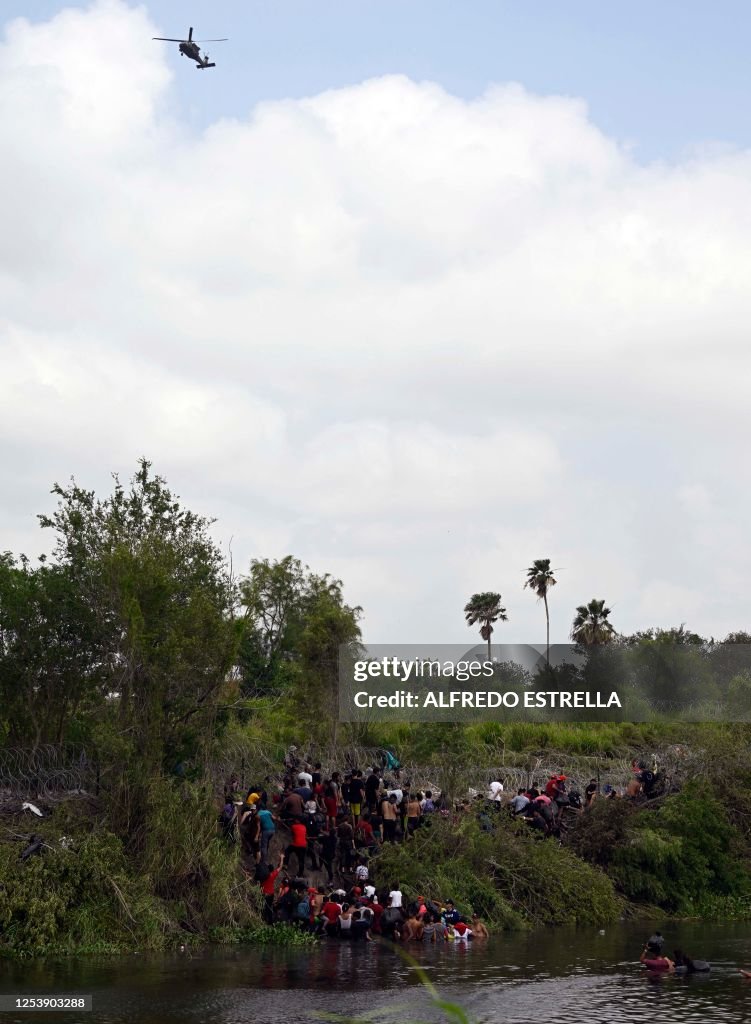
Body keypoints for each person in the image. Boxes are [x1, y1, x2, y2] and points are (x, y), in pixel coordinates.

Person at [260, 853, 284, 923]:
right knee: (269, 907)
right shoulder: (273, 874)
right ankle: (270, 921)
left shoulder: (263, 875)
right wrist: (282, 858)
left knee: (263, 907)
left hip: (264, 894)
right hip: (271, 894)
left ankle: (263, 919)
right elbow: (280, 867)